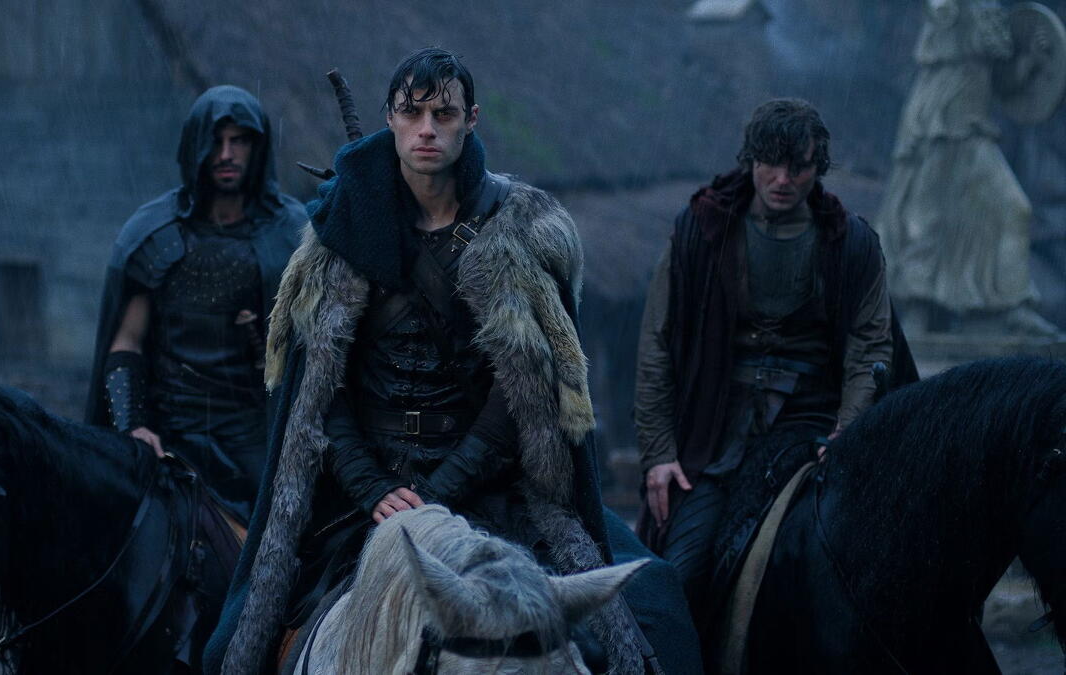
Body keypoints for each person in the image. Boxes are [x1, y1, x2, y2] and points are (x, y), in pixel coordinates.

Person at [205, 48, 699, 675]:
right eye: (412, 113)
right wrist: (373, 487)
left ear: (472, 119)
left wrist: (439, 492)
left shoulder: (522, 229)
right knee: (236, 645)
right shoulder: (336, 229)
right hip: (363, 495)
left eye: (443, 114)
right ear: (390, 118)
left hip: (491, 491)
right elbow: (320, 390)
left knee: (650, 606)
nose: (427, 130)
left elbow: (521, 391)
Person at [634, 98, 917, 624]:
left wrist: (848, 431)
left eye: (799, 167)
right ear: (751, 159)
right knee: (680, 577)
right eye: (770, 163)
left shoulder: (851, 243)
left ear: (818, 167)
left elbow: (870, 346)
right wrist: (659, 453)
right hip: (715, 433)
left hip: (813, 427)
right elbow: (657, 342)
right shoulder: (702, 229)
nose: (782, 179)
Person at [84, 85, 306, 526]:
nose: (225, 154)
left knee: (298, 534)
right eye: (216, 141)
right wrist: (131, 426)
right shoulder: (157, 232)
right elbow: (127, 342)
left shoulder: (291, 231)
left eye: (238, 141)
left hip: (255, 434)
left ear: (257, 147)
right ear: (196, 146)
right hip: (171, 431)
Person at [876, 0, 1059, 336]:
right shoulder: (949, 7)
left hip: (973, 131)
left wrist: (1032, 59)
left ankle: (1005, 308)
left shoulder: (989, 9)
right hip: (937, 128)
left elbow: (1001, 82)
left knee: (1013, 210)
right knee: (927, 218)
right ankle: (919, 307)